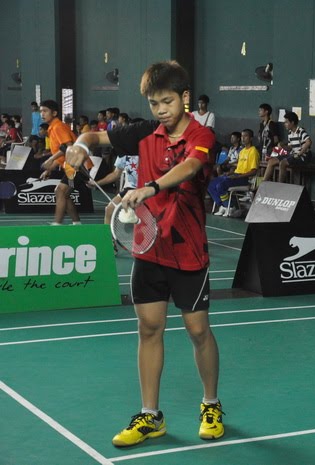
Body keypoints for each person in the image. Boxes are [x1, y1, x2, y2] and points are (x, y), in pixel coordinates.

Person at [65, 60, 224, 447]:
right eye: (154, 103)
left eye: (167, 101)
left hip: (188, 251)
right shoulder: (143, 132)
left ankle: (211, 404)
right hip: (149, 249)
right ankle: (151, 415)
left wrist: (150, 188)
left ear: (185, 97)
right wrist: (79, 146)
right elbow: (95, 137)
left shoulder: (202, 134)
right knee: (149, 329)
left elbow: (189, 167)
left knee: (198, 331)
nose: (161, 110)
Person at [38, 99, 86, 226]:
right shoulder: (52, 128)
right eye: (40, 111)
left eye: (45, 111)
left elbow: (68, 147)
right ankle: (76, 223)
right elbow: (62, 155)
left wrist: (51, 159)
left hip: (78, 166)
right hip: (71, 166)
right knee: (63, 193)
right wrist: (49, 169)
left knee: (60, 191)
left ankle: (57, 224)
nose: (42, 114)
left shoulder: (58, 126)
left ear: (54, 113)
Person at [90, 152, 139, 253]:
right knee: (109, 209)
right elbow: (116, 174)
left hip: (146, 186)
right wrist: (96, 183)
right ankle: (109, 243)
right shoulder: (123, 153)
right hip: (130, 188)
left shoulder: (147, 149)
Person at [209, 128, 260, 216]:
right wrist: (230, 173)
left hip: (244, 179)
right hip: (236, 175)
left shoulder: (253, 151)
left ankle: (232, 207)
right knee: (211, 184)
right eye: (242, 136)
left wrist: (237, 177)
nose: (243, 138)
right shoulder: (242, 151)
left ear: (251, 138)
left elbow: (254, 171)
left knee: (221, 185)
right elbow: (239, 168)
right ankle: (223, 206)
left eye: (246, 136)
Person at [262, 111, 312, 183]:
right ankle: (264, 183)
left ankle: (280, 185)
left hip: (302, 157)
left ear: (292, 122)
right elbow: (290, 147)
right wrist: (282, 146)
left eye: (286, 122)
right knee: (271, 161)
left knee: (283, 163)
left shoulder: (300, 131)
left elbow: (309, 142)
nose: (284, 124)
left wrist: (299, 154)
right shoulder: (290, 133)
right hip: (292, 155)